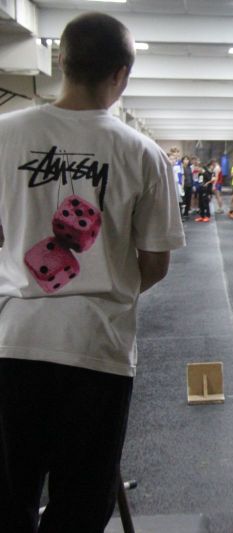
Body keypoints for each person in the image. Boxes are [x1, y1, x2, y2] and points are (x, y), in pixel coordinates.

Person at [0, 12, 185, 532]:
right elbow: (155, 263)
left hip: (13, 343)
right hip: (97, 347)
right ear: (121, 74)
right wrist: (108, 282)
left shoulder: (3, 134)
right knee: (81, 503)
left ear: (61, 61)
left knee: (10, 498)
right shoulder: (144, 154)